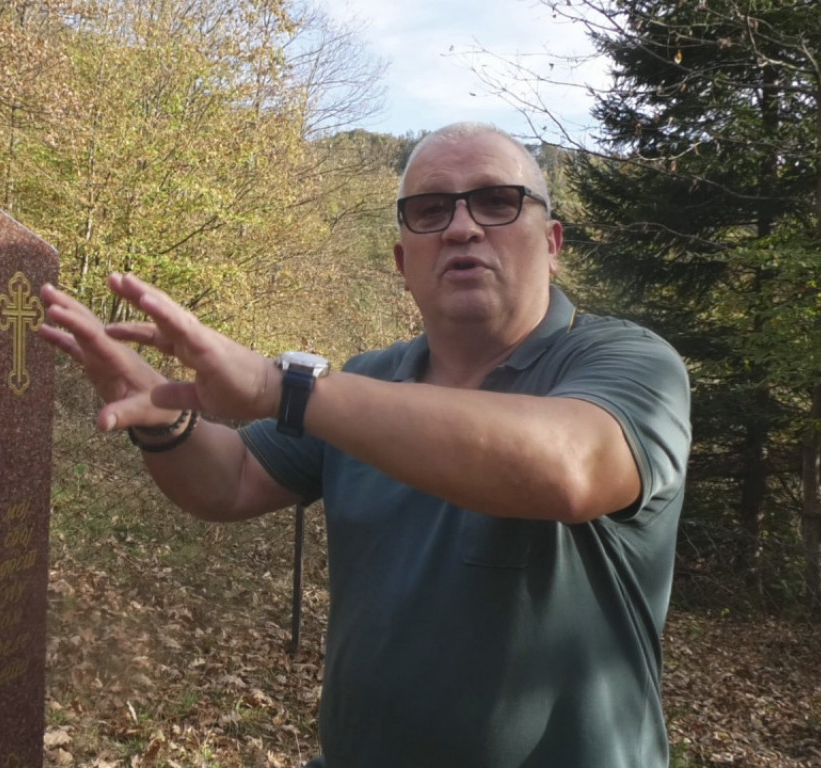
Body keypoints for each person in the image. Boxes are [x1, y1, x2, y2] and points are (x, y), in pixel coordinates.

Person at [38, 122, 691, 768]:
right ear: (404, 264)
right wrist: (162, 417)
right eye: (431, 210)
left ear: (551, 243)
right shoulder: (368, 381)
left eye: (497, 201)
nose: (462, 227)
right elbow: (230, 479)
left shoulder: (628, 362)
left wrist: (283, 388)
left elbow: (571, 467)